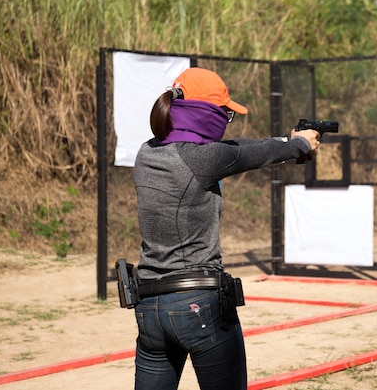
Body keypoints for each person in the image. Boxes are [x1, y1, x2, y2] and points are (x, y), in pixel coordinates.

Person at [132, 67, 320, 390]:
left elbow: (237, 147)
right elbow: (250, 153)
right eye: (225, 114)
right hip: (198, 304)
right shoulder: (201, 159)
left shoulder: (146, 153)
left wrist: (290, 141)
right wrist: (298, 146)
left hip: (149, 307)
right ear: (207, 113)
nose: (226, 122)